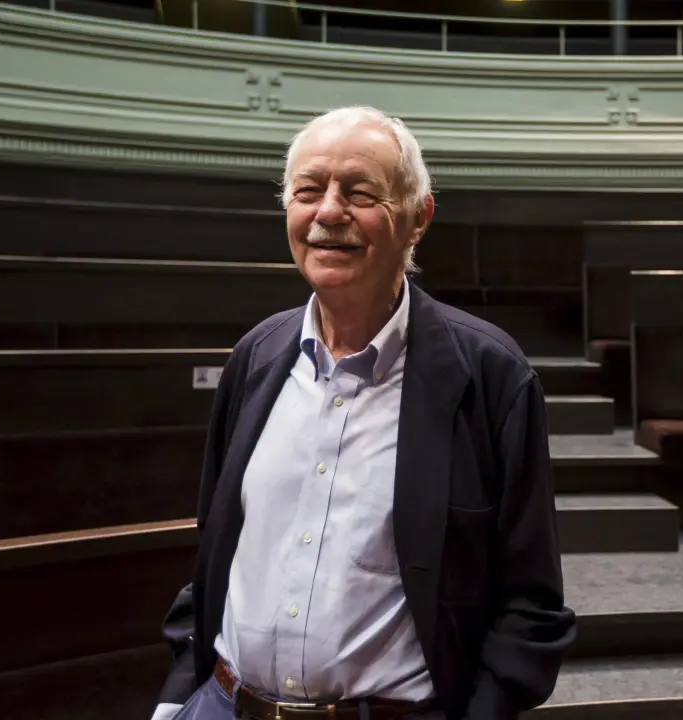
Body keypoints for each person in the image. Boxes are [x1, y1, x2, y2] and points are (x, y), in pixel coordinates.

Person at [151, 106, 576, 720]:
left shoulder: (491, 375)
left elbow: (532, 604)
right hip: (222, 704)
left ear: (418, 218)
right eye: (308, 191)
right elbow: (217, 553)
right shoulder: (254, 358)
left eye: (359, 193)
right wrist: (176, 702)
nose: (328, 212)